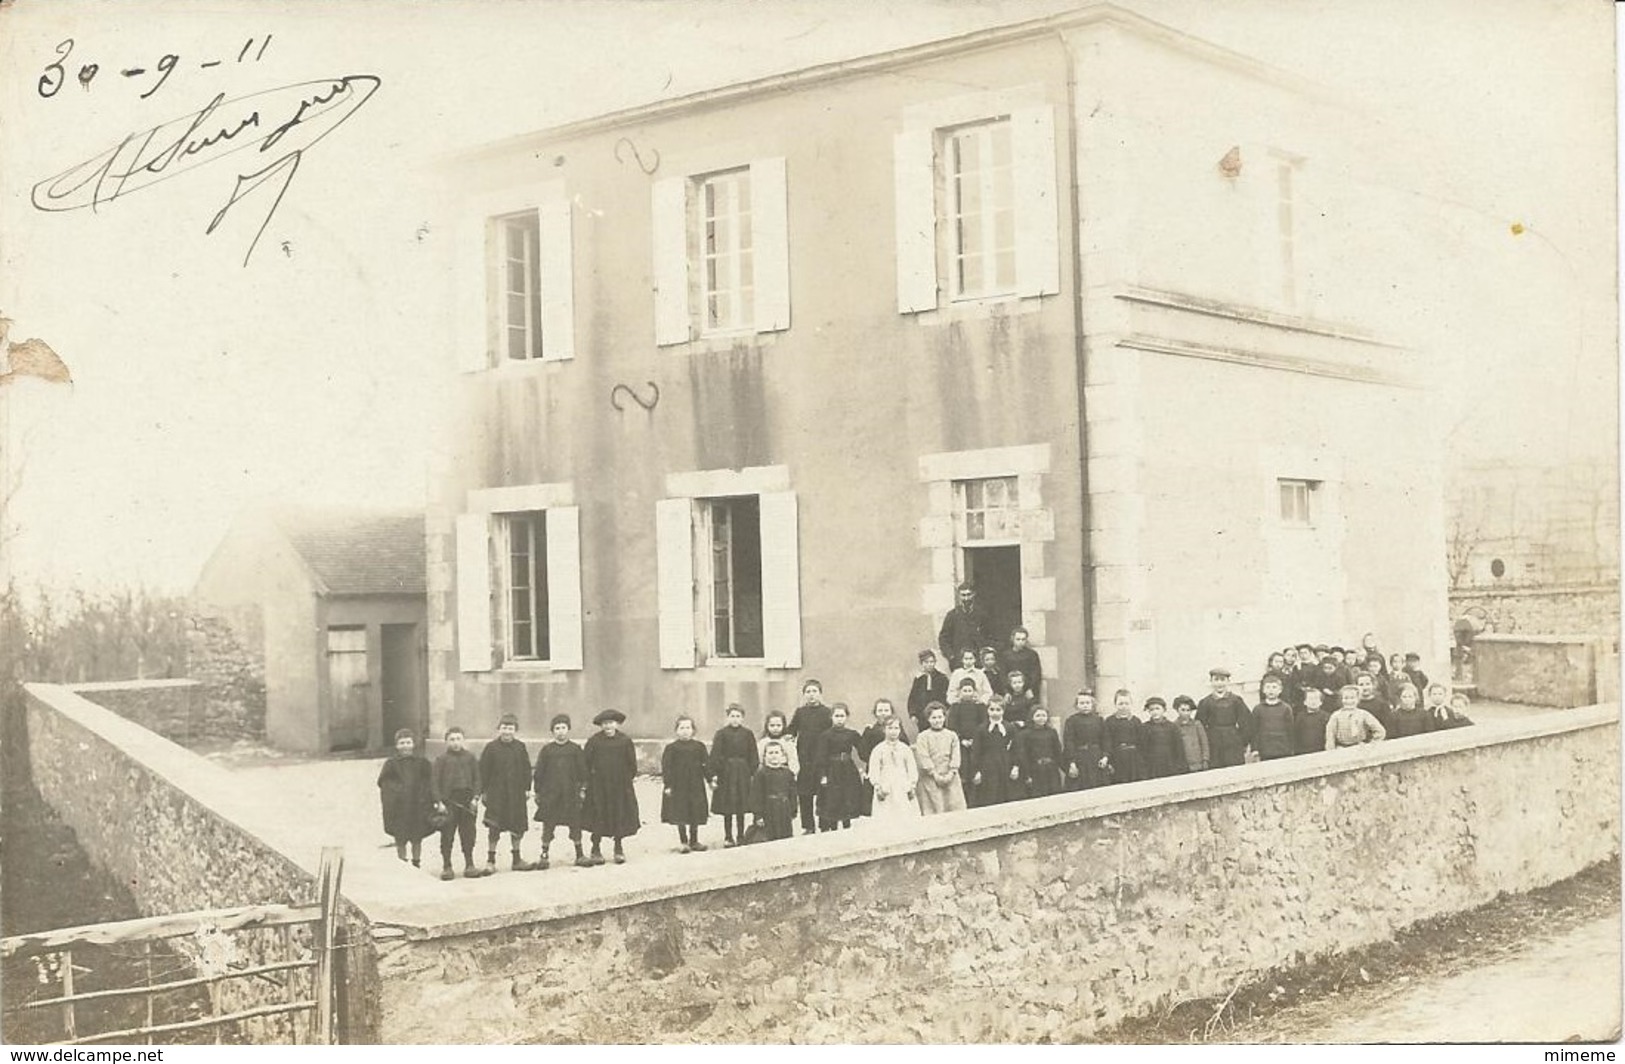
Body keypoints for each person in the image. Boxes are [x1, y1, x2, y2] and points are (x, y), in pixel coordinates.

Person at [478, 714, 537, 874]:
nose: (507, 731)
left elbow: (526, 769)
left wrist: (526, 788)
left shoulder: (520, 747)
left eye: (510, 728)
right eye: (504, 727)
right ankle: (491, 861)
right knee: (494, 827)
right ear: (499, 729)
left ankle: (517, 859)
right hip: (496, 793)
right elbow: (483, 770)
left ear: (515, 730)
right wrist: (483, 791)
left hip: (516, 793)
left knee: (517, 826)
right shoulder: (491, 748)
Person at [582, 709, 640, 865]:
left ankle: (618, 848)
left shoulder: (624, 741)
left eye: (611, 723)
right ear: (601, 725)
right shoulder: (594, 741)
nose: (608, 726)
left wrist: (626, 780)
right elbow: (585, 763)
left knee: (619, 814)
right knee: (598, 815)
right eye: (604, 724)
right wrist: (588, 782)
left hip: (619, 785)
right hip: (598, 786)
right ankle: (595, 848)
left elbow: (632, 764)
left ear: (617, 724)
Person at [531, 713, 588, 869]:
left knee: (575, 824)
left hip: (570, 794)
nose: (560, 731)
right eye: (557, 728)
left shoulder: (575, 749)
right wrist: (538, 792)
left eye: (563, 728)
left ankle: (580, 853)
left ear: (568, 729)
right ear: (553, 731)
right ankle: (544, 855)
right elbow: (539, 773)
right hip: (551, 795)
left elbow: (583, 772)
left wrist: (582, 789)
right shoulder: (547, 750)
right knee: (548, 825)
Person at [431, 726, 483, 880]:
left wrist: (475, 798)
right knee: (447, 835)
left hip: (467, 801)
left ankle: (469, 864)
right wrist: (438, 801)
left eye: (458, 739)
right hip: (449, 802)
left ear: (463, 740)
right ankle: (447, 866)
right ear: (446, 741)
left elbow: (477, 779)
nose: (455, 742)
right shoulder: (441, 760)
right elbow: (434, 782)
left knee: (468, 834)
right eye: (452, 739)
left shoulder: (470, 758)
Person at [377, 728, 433, 868]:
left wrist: (424, 794)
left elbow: (429, 780)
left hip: (417, 805)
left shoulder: (421, 762)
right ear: (397, 746)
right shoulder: (391, 764)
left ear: (413, 744)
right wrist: (397, 791)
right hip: (399, 807)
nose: (405, 746)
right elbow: (385, 783)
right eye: (402, 743)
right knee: (400, 836)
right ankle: (402, 862)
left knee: (416, 836)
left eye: (408, 742)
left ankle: (416, 862)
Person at [786, 680, 834, 834]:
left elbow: (833, 733)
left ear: (820, 694)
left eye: (814, 691)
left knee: (823, 792)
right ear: (804, 695)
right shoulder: (800, 712)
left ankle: (824, 824)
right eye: (808, 692)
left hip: (822, 757)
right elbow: (791, 729)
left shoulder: (827, 712)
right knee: (804, 793)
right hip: (804, 758)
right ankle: (808, 826)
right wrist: (788, 737)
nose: (811, 695)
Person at [708, 703, 758, 847]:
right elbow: (715, 754)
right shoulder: (721, 733)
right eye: (732, 716)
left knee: (741, 806)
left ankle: (741, 835)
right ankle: (728, 836)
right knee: (727, 806)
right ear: (727, 717)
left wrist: (753, 772)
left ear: (742, 718)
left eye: (738, 716)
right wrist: (714, 773)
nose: (735, 719)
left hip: (743, 772)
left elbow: (753, 754)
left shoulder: (748, 734)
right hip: (726, 773)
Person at [661, 716, 710, 853]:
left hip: (695, 784)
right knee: (680, 812)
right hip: (678, 785)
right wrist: (668, 785)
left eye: (688, 728)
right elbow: (667, 768)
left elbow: (706, 765)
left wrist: (711, 779)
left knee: (695, 811)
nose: (685, 731)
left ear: (693, 730)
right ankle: (683, 841)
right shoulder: (671, 748)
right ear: (676, 731)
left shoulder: (699, 747)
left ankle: (694, 840)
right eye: (681, 728)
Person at [815, 703, 865, 831]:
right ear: (831, 717)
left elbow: (863, 750)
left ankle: (847, 828)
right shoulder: (825, 735)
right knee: (833, 801)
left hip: (848, 770)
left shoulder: (851, 734)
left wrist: (867, 732)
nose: (839, 719)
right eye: (836, 716)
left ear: (847, 717)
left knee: (847, 798)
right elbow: (821, 757)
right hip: (832, 770)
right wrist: (823, 775)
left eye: (842, 716)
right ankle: (833, 829)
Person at [913, 702, 966, 815]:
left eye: (940, 717)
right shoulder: (923, 737)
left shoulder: (952, 735)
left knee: (953, 808)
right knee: (934, 808)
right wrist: (934, 774)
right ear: (928, 719)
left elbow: (956, 755)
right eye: (934, 718)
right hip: (932, 778)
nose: (937, 720)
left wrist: (951, 772)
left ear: (944, 717)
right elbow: (923, 757)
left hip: (950, 777)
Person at [1196, 668, 1252, 768]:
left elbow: (1246, 722)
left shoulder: (1236, 700)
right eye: (1216, 680)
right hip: (1213, 741)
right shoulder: (1205, 702)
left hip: (1233, 741)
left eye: (1222, 680)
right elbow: (1200, 726)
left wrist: (1242, 742)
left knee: (1235, 768)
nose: (1219, 683)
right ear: (1211, 682)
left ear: (1228, 681)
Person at [857, 699, 905, 817]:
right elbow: (863, 752)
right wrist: (875, 761)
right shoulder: (870, 730)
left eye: (886, 710)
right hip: (876, 769)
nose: (883, 713)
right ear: (875, 713)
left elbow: (905, 746)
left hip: (895, 767)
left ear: (891, 712)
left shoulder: (898, 729)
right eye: (880, 710)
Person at [866, 716, 920, 821]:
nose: (893, 731)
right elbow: (874, 769)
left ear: (900, 730)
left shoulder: (905, 749)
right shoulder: (878, 749)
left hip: (902, 784)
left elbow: (911, 768)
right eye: (890, 728)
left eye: (896, 728)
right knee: (886, 814)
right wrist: (877, 786)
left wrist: (912, 785)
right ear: (884, 730)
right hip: (885, 785)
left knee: (905, 814)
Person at [946, 677, 988, 797]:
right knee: (964, 768)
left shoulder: (980, 707)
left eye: (970, 691)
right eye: (965, 691)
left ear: (974, 692)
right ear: (960, 692)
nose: (967, 693)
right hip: (961, 744)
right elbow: (952, 726)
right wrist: (961, 740)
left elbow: (983, 723)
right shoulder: (955, 707)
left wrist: (975, 739)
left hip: (978, 743)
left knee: (977, 767)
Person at [968, 700, 1015, 807]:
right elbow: (976, 751)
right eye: (992, 709)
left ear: (1003, 711)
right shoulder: (981, 729)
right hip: (987, 765)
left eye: (998, 710)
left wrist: (1015, 766)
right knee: (989, 794)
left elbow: (1016, 748)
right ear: (987, 711)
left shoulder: (1009, 727)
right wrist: (976, 771)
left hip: (1004, 763)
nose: (995, 713)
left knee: (1005, 794)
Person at [1012, 704, 1065, 798]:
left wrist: (1064, 768)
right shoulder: (1025, 734)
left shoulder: (1051, 732)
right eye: (1038, 716)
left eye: (1044, 716)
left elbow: (1058, 751)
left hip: (1051, 770)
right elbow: (1023, 755)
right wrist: (1027, 774)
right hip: (1035, 770)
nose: (1041, 718)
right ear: (1032, 717)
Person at [750, 740, 798, 841]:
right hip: (768, 809)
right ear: (765, 756)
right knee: (769, 836)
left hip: (783, 809)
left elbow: (792, 793)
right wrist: (758, 816)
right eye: (770, 753)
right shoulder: (761, 773)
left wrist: (793, 810)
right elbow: (756, 796)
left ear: (783, 756)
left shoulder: (787, 773)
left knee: (785, 836)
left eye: (776, 753)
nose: (774, 756)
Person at [1062, 690, 1109, 790]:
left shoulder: (1099, 720)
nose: (1085, 705)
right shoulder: (1071, 721)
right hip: (1080, 759)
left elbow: (1105, 739)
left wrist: (1105, 756)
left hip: (1096, 758)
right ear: (1077, 705)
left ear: (1092, 704)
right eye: (1082, 703)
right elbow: (1069, 742)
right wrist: (1072, 762)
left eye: (1088, 703)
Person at [937, 582, 989, 663]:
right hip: (959, 661)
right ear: (959, 596)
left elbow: (989, 636)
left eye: (969, 594)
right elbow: (943, 638)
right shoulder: (952, 615)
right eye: (963, 595)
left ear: (974, 594)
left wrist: (986, 654)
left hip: (979, 661)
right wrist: (951, 656)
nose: (966, 598)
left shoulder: (982, 615)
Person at [1250, 672, 1296, 761]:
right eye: (1268, 687)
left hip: (1283, 748)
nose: (1271, 690)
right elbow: (1254, 731)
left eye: (1274, 687)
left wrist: (1291, 748)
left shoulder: (1286, 708)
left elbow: (1290, 730)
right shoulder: (1258, 709)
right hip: (1265, 749)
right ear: (1263, 690)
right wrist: (1255, 749)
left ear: (1280, 690)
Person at [1102, 689, 1144, 784]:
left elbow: (1141, 742)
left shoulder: (1136, 721)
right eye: (1120, 704)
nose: (1123, 706)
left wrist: (1140, 761)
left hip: (1133, 758)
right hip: (1117, 758)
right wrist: (1109, 761)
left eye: (1126, 703)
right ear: (1115, 704)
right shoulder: (1110, 721)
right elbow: (1107, 741)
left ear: (1131, 704)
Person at [1325, 686, 1386, 750]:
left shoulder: (1363, 714)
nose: (1349, 701)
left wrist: (1371, 744)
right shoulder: (1336, 716)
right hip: (1342, 749)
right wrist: (1332, 751)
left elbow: (1380, 731)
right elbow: (1330, 735)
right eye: (1346, 698)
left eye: (1352, 698)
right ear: (1341, 700)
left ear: (1358, 699)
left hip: (1360, 748)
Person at [907, 649, 949, 736]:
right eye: (926, 662)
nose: (930, 664)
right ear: (922, 663)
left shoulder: (942, 678)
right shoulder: (919, 679)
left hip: (938, 714)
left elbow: (946, 697)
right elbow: (912, 698)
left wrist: (945, 712)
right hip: (922, 716)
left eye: (932, 662)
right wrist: (913, 714)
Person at [1140, 697, 1185, 778]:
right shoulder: (1145, 727)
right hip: (1153, 767)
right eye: (1151, 709)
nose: (1155, 712)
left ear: (1164, 710)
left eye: (1157, 708)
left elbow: (1179, 749)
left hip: (1170, 765)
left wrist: (1179, 767)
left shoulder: (1172, 727)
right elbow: (1143, 750)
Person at [1001, 626, 1043, 700]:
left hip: (1028, 692)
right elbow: (1002, 674)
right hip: (1011, 692)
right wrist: (1006, 692)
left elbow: (1036, 673)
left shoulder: (1032, 655)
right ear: (1012, 639)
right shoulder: (1006, 655)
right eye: (1018, 639)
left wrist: (1031, 689)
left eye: (1023, 639)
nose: (1020, 642)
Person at [1173, 695, 1209, 772]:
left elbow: (1204, 742)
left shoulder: (1197, 724)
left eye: (1188, 710)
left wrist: (1205, 759)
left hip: (1198, 763)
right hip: (1184, 764)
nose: (1185, 713)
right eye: (1183, 710)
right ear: (1177, 710)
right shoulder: (1174, 726)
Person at [759, 709, 800, 777]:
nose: (775, 728)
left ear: (783, 726)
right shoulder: (763, 742)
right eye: (772, 725)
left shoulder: (787, 742)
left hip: (783, 775)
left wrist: (791, 774)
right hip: (766, 775)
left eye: (778, 725)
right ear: (767, 726)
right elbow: (759, 761)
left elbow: (793, 760)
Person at [1292, 687, 1330, 756]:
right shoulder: (1300, 716)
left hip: (1321, 750)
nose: (1313, 701)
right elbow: (1296, 733)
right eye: (1310, 699)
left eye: (1316, 698)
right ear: (1305, 702)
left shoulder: (1326, 716)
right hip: (1303, 751)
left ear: (1321, 702)